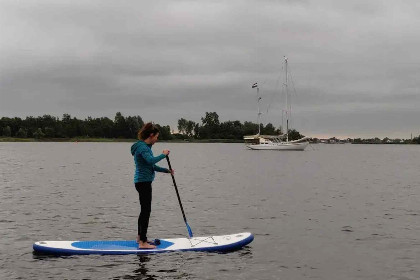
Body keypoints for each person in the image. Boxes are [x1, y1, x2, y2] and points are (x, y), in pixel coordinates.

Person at [130, 122, 173, 249]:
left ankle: (140, 238)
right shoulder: (143, 147)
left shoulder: (145, 147)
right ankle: (143, 243)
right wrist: (163, 155)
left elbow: (151, 165)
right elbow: (150, 161)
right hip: (143, 183)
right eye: (156, 136)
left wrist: (167, 171)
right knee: (146, 211)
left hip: (142, 182)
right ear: (151, 135)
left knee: (144, 210)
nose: (157, 139)